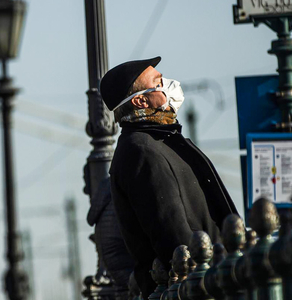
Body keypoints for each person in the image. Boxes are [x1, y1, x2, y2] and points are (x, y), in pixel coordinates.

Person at [100, 56, 238, 299]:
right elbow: (171, 230)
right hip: (198, 285)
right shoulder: (140, 150)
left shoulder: (159, 140)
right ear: (141, 100)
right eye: (158, 81)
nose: (168, 85)